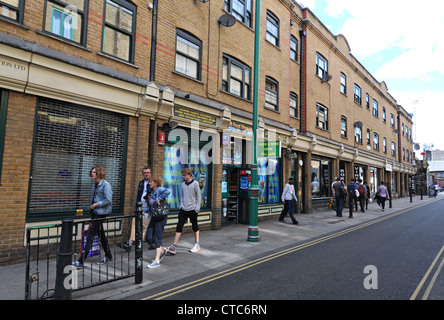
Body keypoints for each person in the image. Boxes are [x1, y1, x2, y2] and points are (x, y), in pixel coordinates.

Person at [73, 166, 113, 268]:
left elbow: (108, 199)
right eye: (91, 172)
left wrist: (96, 204)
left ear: (99, 173)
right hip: (95, 213)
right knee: (101, 235)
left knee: (90, 235)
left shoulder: (105, 185)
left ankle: (81, 261)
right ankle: (109, 255)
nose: (92, 173)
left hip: (101, 213)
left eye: (94, 172)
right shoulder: (95, 184)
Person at [167, 168, 202, 255]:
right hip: (183, 209)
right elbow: (182, 196)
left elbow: (199, 197)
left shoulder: (195, 184)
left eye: (184, 175)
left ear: (189, 175)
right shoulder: (182, 184)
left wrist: (197, 208)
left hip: (193, 209)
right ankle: (174, 246)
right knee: (179, 226)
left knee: (195, 226)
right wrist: (181, 206)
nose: (183, 176)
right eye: (182, 175)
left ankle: (197, 244)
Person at [120, 167, 153, 252]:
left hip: (148, 209)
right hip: (140, 207)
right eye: (145, 173)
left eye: (148, 172)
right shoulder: (141, 183)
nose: (147, 174)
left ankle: (150, 244)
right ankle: (130, 244)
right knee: (135, 225)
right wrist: (136, 207)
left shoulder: (153, 183)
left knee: (144, 227)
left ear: (150, 173)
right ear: (143, 174)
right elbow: (138, 195)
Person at [145, 176, 171, 268]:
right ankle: (162, 250)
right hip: (154, 216)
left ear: (156, 183)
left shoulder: (159, 189)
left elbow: (168, 191)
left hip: (161, 217)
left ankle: (157, 261)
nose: (149, 183)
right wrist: (145, 210)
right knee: (148, 237)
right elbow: (153, 206)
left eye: (151, 182)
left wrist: (159, 198)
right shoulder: (152, 192)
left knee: (157, 238)